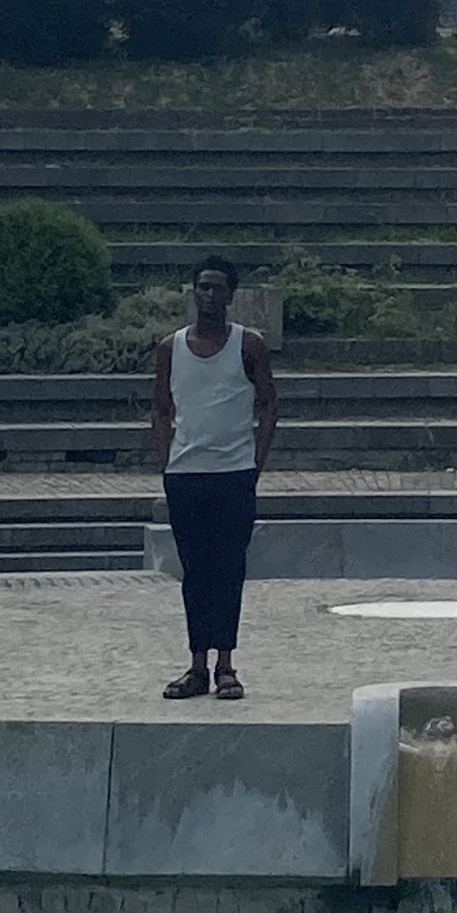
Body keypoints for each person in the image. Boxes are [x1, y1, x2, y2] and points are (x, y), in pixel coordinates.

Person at [152, 251, 276, 699]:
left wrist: (256, 460)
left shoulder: (248, 345)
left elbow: (268, 402)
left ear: (230, 295)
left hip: (233, 473)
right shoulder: (171, 347)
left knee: (229, 570)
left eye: (216, 288)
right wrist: (165, 460)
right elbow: (162, 407)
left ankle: (227, 663)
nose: (208, 295)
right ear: (193, 292)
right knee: (195, 573)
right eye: (201, 286)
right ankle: (196, 664)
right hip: (186, 475)